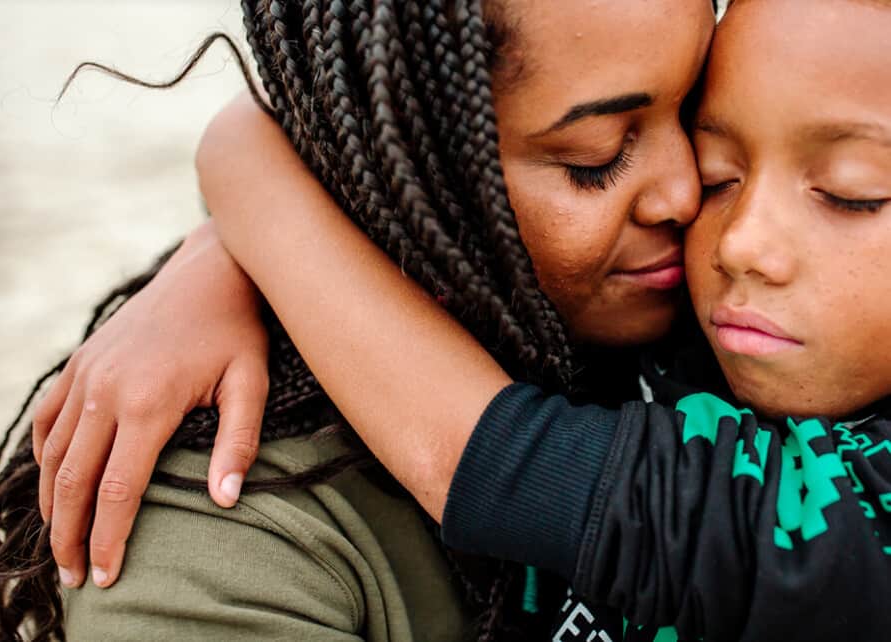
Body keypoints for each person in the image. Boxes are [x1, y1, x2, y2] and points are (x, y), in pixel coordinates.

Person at [45, 0, 891, 640]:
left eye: (852, 195)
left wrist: (243, 172)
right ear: (415, 164)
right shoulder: (234, 542)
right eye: (722, 168)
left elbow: (496, 459)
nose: (702, 213)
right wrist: (221, 252)